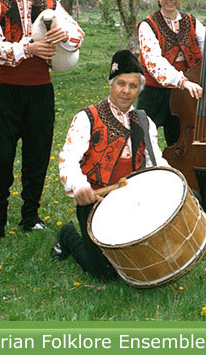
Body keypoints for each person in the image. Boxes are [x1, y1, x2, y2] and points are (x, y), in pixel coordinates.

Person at [0, 0, 84, 244]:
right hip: (6, 90)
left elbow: (78, 34)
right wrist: (29, 48)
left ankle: (30, 215)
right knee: (1, 157)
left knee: (37, 155)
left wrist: (65, 34)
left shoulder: (49, 2)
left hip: (40, 89)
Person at [51, 50, 168, 279]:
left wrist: (171, 180)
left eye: (133, 86)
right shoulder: (87, 117)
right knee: (104, 272)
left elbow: (156, 161)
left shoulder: (145, 122)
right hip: (95, 201)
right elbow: (68, 157)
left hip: (131, 201)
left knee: (138, 263)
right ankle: (67, 235)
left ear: (139, 89)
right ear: (111, 84)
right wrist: (79, 186)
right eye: (120, 84)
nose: (126, 91)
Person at [137, 0, 206, 145]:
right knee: (143, 142)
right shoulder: (147, 25)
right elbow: (154, 63)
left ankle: (178, 172)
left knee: (181, 143)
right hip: (154, 93)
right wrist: (183, 81)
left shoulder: (191, 21)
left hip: (184, 93)